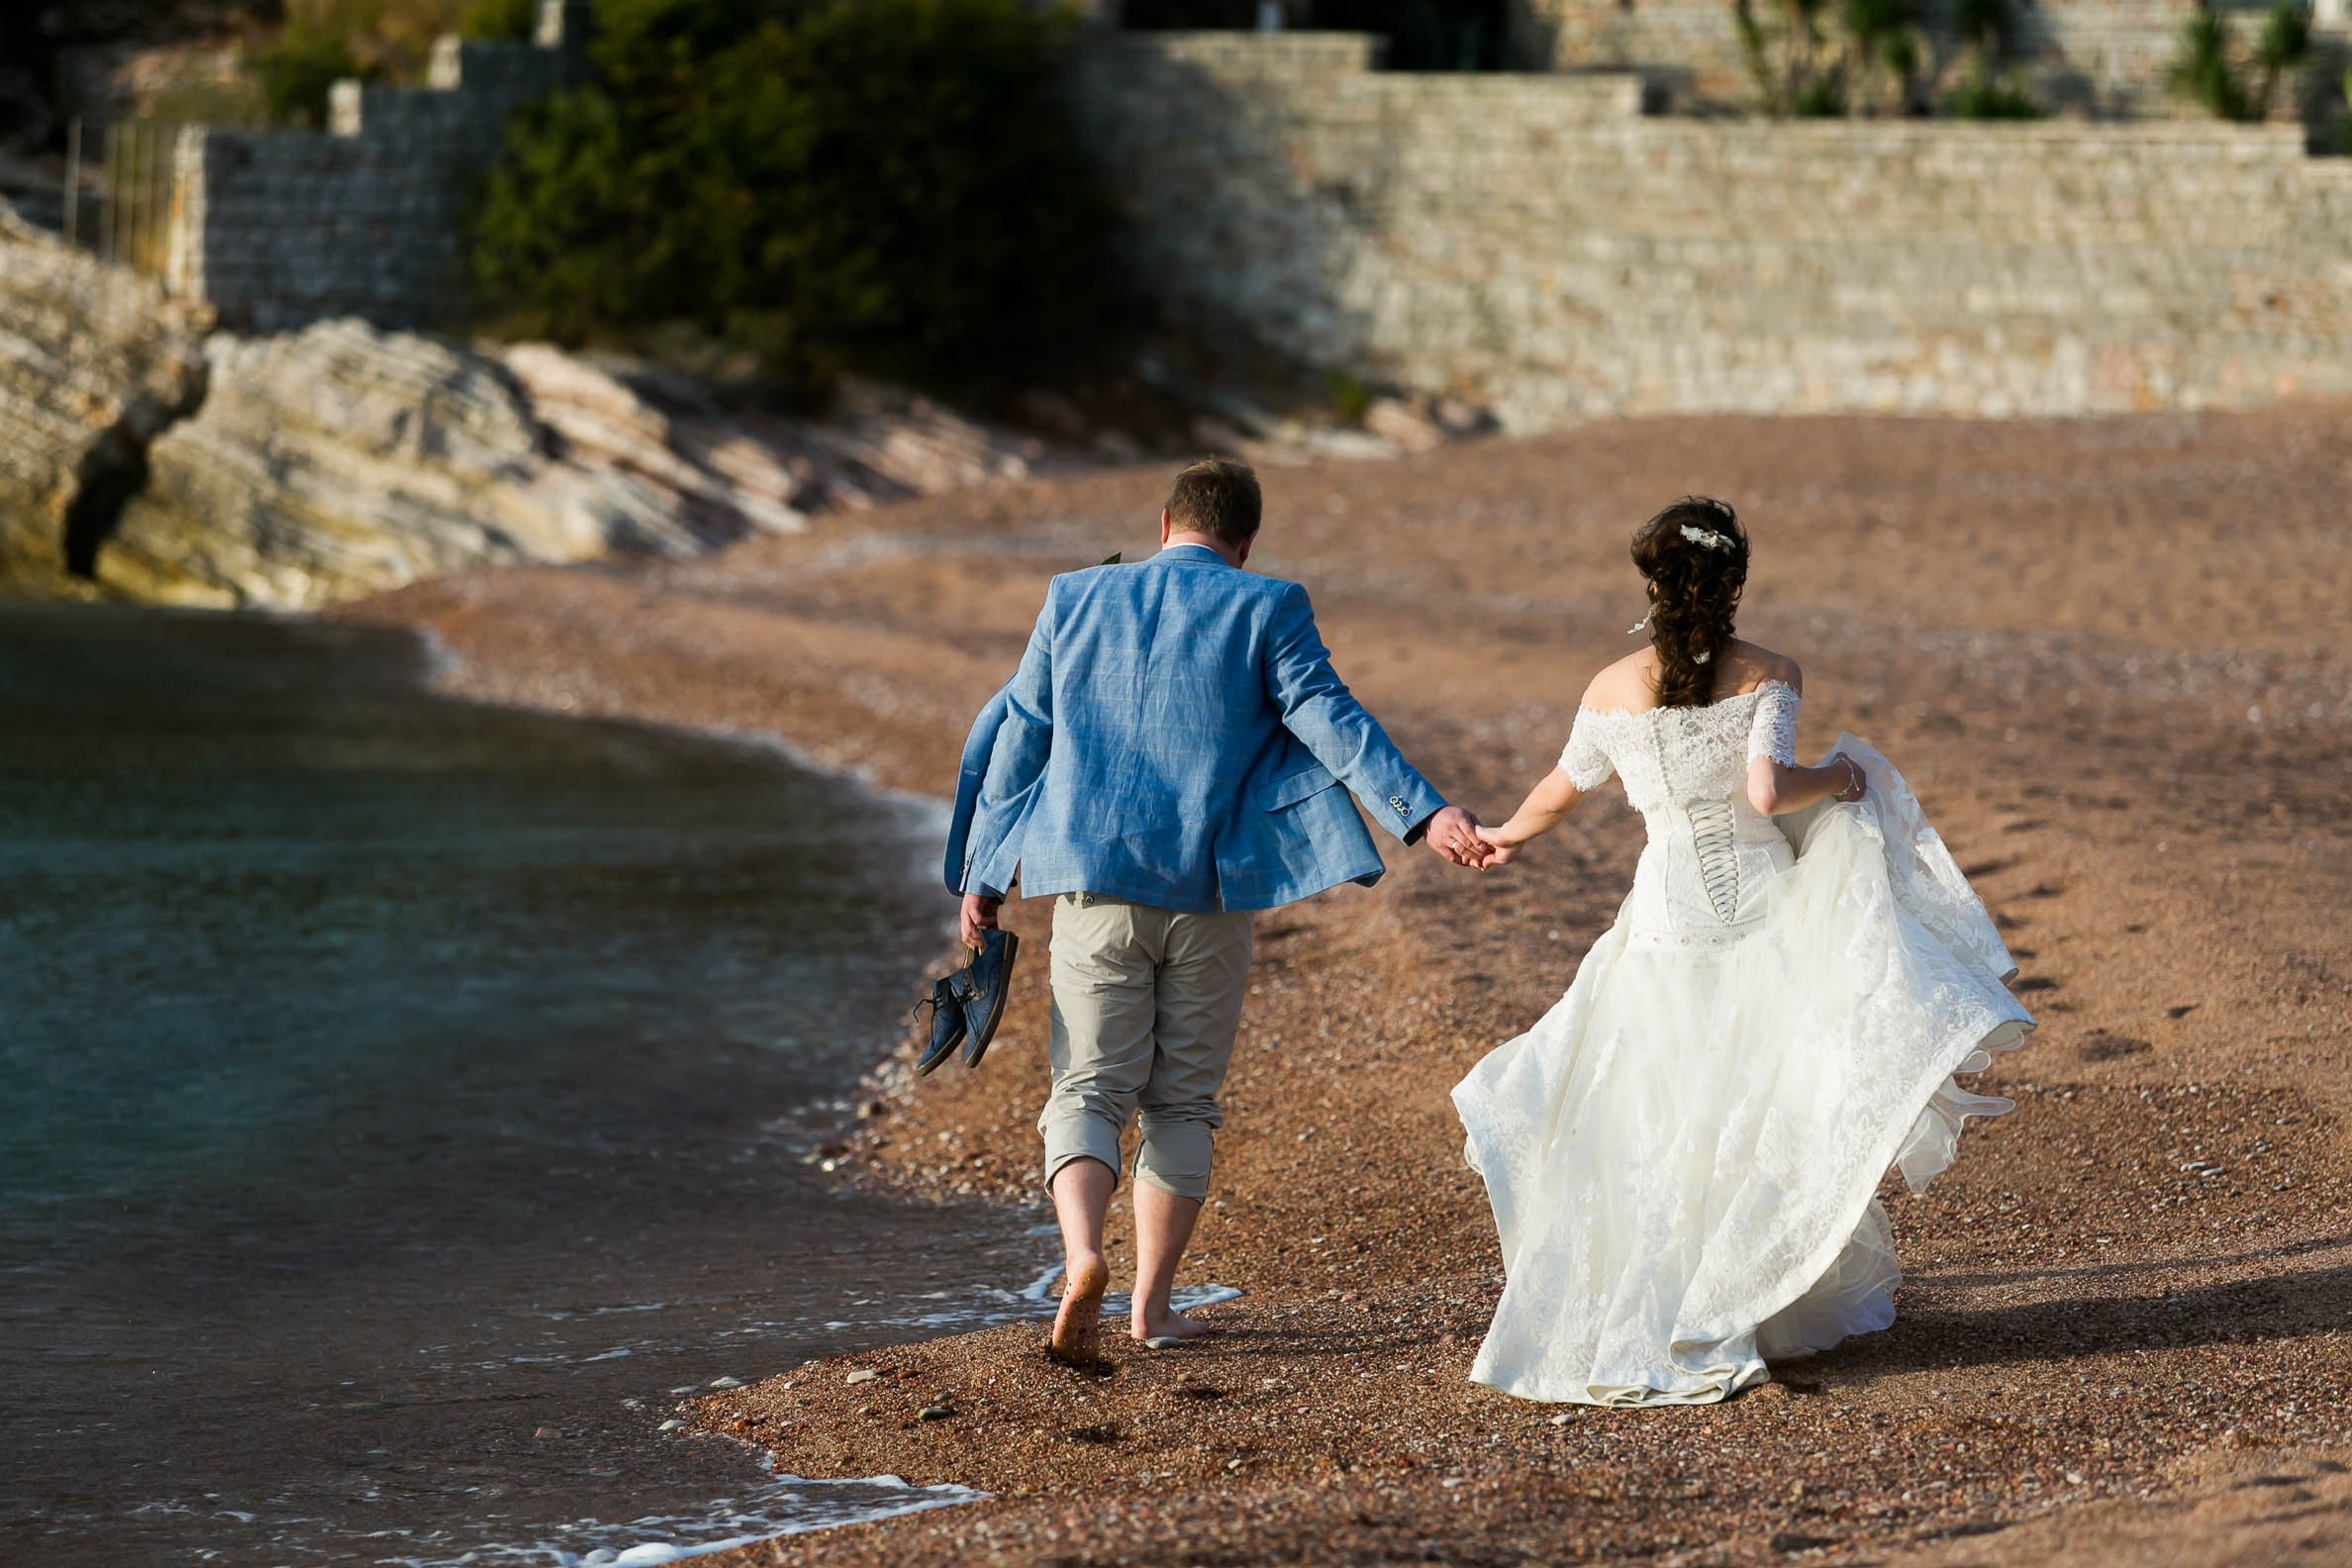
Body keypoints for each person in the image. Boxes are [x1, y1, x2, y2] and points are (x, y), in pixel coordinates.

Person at [1452, 495, 2033, 1406]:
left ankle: (1663, 1302)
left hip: (1667, 910)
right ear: (1734, 584)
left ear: (1651, 580)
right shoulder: (1769, 672)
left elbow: (1561, 791)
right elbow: (1768, 794)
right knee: (1760, 1093)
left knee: (1656, 1098)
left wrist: (1500, 835)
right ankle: (1742, 1296)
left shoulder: (1611, 687)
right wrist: (1843, 778)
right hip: (1763, 908)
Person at [946, 456, 1486, 1363]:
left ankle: (1083, 1256)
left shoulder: (1073, 597)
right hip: (1211, 892)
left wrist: (983, 872)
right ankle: (1152, 1311)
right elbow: (1328, 715)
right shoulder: (1267, 604)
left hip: (1093, 883)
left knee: (1086, 1087)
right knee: (1182, 1102)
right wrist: (1426, 813)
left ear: (1163, 525)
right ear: (1244, 542)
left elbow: (1022, 736)